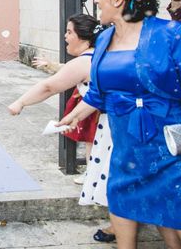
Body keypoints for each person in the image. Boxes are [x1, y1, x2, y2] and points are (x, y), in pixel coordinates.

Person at [59, 0, 181, 249]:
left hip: (175, 150)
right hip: (128, 151)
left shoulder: (173, 34)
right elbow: (99, 92)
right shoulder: (104, 40)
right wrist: (74, 116)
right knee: (123, 205)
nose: (97, 1)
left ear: (119, 0)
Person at [8, 14, 114, 242]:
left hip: (110, 126)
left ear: (84, 39)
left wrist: (21, 102)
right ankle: (118, 224)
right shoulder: (101, 55)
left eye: (69, 32)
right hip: (115, 121)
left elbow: (49, 87)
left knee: (111, 175)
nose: (65, 37)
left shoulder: (84, 61)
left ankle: (122, 229)